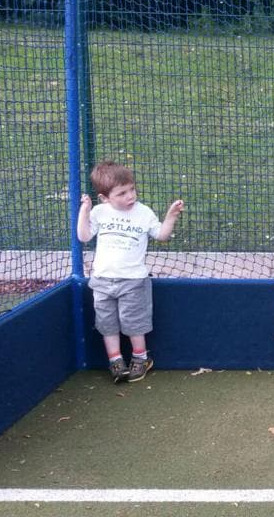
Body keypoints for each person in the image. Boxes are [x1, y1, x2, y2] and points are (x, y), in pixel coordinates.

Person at [76, 160, 184, 383]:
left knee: (134, 322)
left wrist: (171, 216)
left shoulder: (143, 213)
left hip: (133, 280)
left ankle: (141, 358)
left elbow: (161, 236)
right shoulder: (99, 212)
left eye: (132, 189)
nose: (130, 196)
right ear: (105, 198)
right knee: (107, 324)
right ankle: (116, 361)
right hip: (102, 280)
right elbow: (84, 236)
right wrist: (84, 211)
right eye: (122, 193)